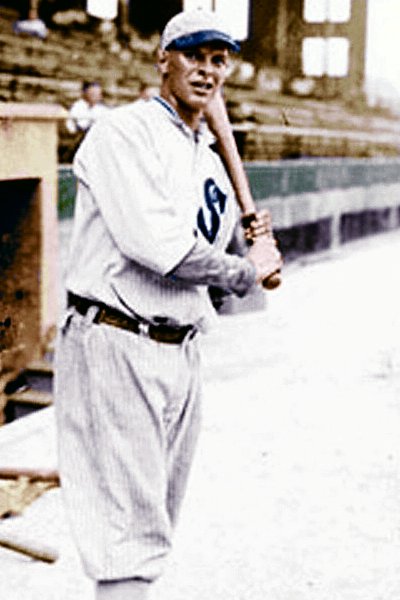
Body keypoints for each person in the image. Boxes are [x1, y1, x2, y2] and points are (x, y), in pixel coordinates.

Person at [55, 8, 282, 600]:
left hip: (180, 350)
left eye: (217, 60)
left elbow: (225, 283)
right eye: (193, 56)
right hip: (116, 337)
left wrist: (254, 244)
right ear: (163, 60)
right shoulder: (122, 132)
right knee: (128, 537)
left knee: (152, 526)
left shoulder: (211, 159)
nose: (206, 71)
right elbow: (164, 250)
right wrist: (246, 271)